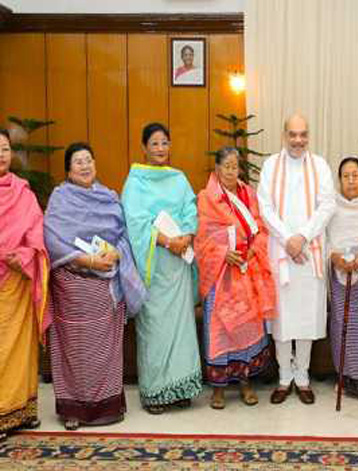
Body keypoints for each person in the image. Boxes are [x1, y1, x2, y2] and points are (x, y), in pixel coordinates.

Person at [44, 143, 146, 430]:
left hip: (106, 286)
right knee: (76, 351)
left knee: (106, 350)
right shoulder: (60, 199)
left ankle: (108, 407)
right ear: (68, 170)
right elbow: (52, 240)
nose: (85, 166)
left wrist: (115, 254)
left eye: (89, 160)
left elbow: (124, 235)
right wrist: (88, 260)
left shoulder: (109, 197)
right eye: (78, 162)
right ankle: (73, 410)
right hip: (72, 287)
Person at [121, 122, 203, 414]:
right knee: (155, 329)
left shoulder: (179, 179)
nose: (160, 148)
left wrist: (187, 236)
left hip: (178, 266)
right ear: (144, 147)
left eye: (164, 143)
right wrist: (168, 242)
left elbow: (191, 209)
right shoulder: (135, 182)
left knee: (181, 329)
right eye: (154, 143)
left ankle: (181, 387)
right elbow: (136, 223)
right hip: (153, 265)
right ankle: (155, 392)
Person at [256, 114, 336, 405]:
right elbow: (265, 208)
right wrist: (288, 238)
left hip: (309, 252)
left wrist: (301, 236)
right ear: (284, 135)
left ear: (308, 136)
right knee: (282, 320)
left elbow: (327, 206)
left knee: (305, 318)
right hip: (280, 252)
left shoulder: (320, 166)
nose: (298, 140)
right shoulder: (270, 166)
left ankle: (302, 377)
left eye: (303, 134)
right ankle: (284, 378)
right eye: (293, 134)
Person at [195, 147, 277, 410]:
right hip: (220, 274)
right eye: (227, 166)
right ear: (217, 168)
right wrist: (222, 253)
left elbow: (260, 228)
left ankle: (245, 382)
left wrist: (253, 249)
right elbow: (202, 239)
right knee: (219, 329)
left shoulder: (248, 194)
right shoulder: (207, 197)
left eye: (235, 166)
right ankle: (218, 388)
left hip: (246, 269)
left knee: (246, 326)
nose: (232, 171)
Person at [0, 129, 49, 441]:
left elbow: (36, 232)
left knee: (20, 348)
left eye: (5, 148)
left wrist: (25, 256)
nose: (1, 155)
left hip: (19, 279)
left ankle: (22, 410)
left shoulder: (23, 193)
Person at [328, 156, 358, 401]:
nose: (351, 180)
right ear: (339, 180)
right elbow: (324, 238)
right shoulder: (331, 205)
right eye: (346, 176)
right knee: (341, 325)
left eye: (355, 175)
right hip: (339, 272)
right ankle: (343, 379)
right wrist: (334, 256)